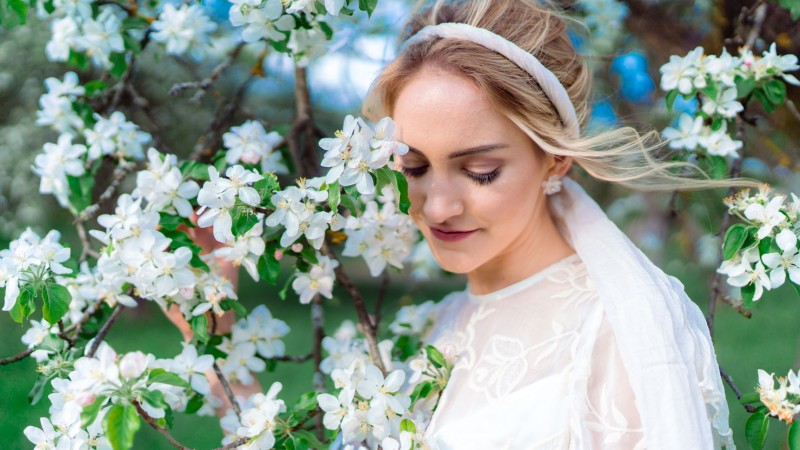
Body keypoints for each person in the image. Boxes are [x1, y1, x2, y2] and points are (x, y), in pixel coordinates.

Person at [169, 0, 758, 448]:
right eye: (413, 167)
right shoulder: (437, 325)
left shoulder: (618, 328)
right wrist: (218, 354)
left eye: (479, 171)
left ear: (555, 158)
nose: (437, 205)